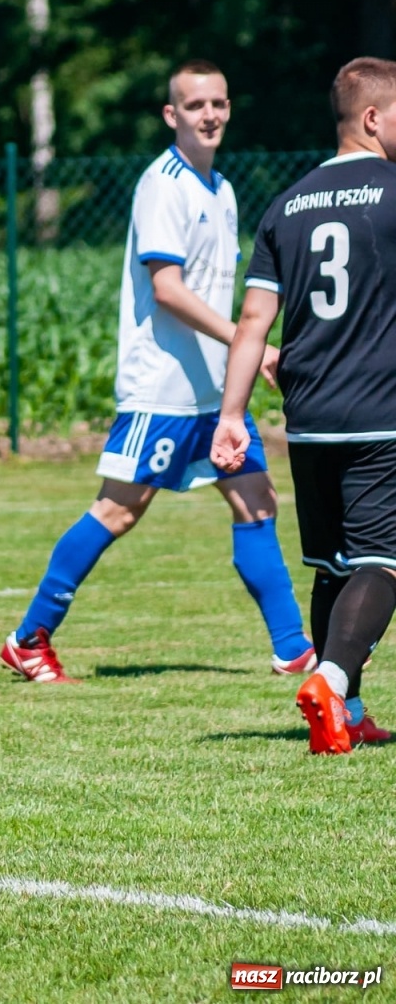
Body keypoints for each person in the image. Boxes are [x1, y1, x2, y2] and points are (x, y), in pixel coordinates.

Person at [0, 59, 314, 683]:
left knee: (257, 500)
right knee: (119, 510)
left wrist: (239, 360)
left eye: (219, 103)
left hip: (212, 392)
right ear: (172, 115)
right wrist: (247, 339)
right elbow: (167, 289)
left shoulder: (219, 190)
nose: (210, 115)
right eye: (195, 105)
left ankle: (293, 648)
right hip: (162, 388)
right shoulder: (163, 184)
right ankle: (29, 637)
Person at [213, 57, 396, 754]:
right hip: (383, 412)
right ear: (372, 118)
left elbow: (254, 323)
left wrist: (232, 417)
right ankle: (333, 679)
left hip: (311, 418)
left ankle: (345, 713)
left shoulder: (286, 204)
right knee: (386, 561)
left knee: (333, 564)